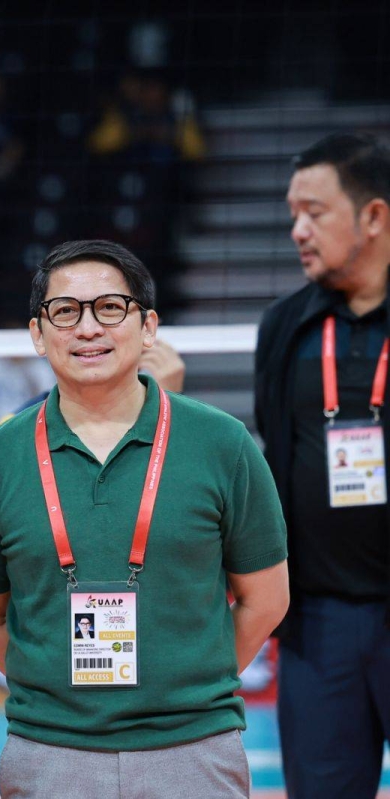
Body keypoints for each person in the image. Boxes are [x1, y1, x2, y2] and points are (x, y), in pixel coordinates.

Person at [0, 239, 288, 799]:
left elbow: (267, 599)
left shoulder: (222, 443)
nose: (88, 329)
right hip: (48, 754)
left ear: (149, 326)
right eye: (65, 312)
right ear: (38, 334)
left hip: (195, 751)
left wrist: (192, 682)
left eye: (110, 308)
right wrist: (55, 690)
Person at [256, 132, 390, 798]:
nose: (296, 230)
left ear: (374, 216)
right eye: (291, 213)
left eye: (314, 211)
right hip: (318, 624)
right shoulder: (283, 327)